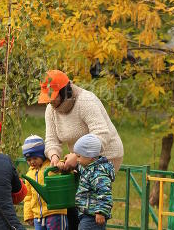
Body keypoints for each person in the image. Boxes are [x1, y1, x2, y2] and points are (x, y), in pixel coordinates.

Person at [38, 69, 123, 229]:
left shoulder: (86, 101)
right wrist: (54, 156)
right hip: (80, 157)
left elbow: (101, 134)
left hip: (104, 154)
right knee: (76, 200)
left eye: (53, 97)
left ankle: (93, 221)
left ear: (65, 91)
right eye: (48, 98)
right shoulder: (51, 110)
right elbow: (51, 139)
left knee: (92, 199)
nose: (50, 102)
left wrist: (76, 157)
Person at [22, 135, 68, 230]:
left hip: (55, 212)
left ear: (42, 155)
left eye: (35, 158)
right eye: (29, 160)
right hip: (38, 216)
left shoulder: (52, 166)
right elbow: (28, 196)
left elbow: (65, 171)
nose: (32, 162)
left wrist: (61, 165)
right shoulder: (29, 174)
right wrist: (28, 215)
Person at [73, 134, 115, 230]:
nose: (77, 159)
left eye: (79, 156)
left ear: (90, 157)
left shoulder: (98, 174)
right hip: (87, 213)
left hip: (94, 216)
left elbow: (104, 193)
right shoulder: (88, 168)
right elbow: (80, 168)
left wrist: (100, 212)